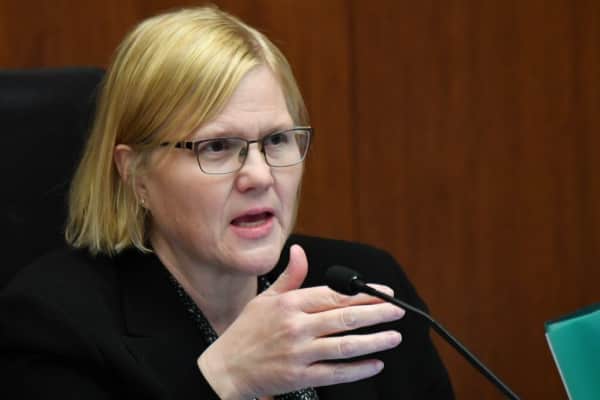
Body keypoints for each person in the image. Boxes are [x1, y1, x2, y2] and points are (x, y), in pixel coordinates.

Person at [0, 6, 453, 399]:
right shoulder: (55, 324)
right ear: (135, 172)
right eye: (216, 147)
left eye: (276, 140)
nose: (259, 175)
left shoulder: (363, 288)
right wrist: (225, 381)